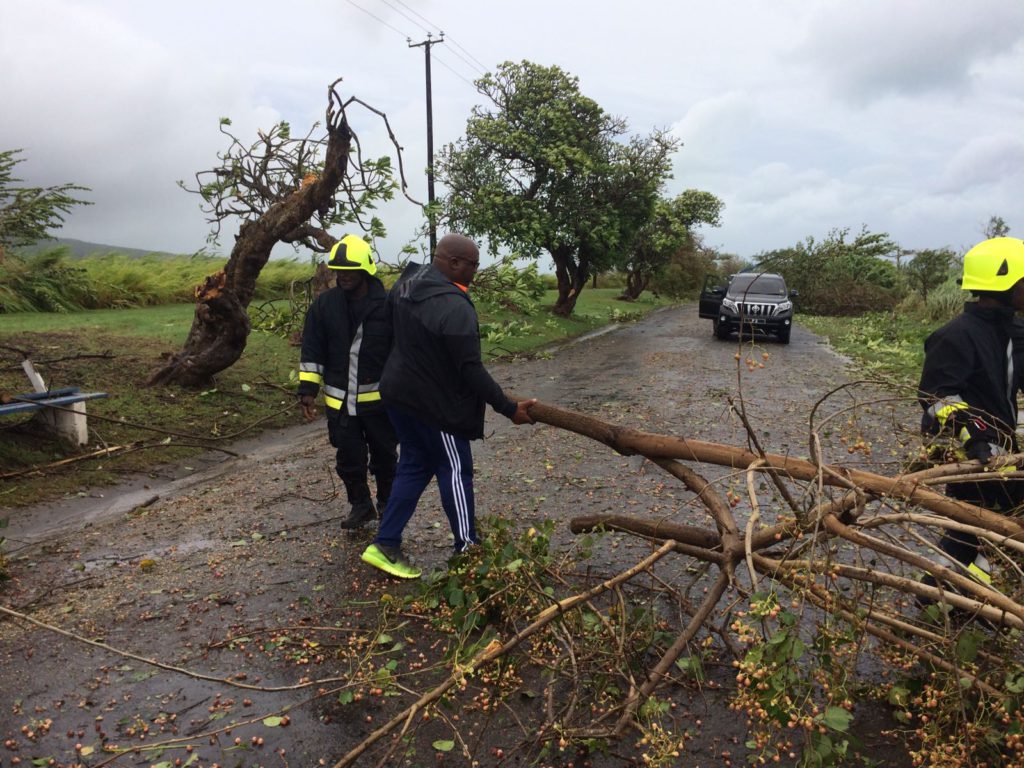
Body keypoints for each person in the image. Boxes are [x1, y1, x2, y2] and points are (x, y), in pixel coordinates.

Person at [360, 234, 537, 579]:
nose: (476, 270)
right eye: (474, 264)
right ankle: (468, 547)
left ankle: (385, 543)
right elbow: (469, 370)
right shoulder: (455, 307)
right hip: (432, 406)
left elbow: (390, 334)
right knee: (455, 468)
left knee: (413, 464)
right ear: (455, 263)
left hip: (397, 395)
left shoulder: (407, 283)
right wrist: (508, 408)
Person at [918, 236, 1024, 593]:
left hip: (1006, 451)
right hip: (971, 457)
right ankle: (939, 594)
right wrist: (975, 433)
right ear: (1007, 285)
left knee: (979, 531)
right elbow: (936, 396)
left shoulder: (1015, 334)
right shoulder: (955, 337)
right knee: (969, 526)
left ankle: (959, 594)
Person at [297, 234, 397, 529]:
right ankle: (361, 506)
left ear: (366, 269)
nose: (343, 276)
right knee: (348, 460)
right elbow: (312, 349)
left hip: (380, 404)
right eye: (339, 270)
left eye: (349, 270)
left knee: (385, 459)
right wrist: (307, 391)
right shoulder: (325, 306)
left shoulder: (388, 306)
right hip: (340, 405)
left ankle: (388, 506)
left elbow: (402, 351)